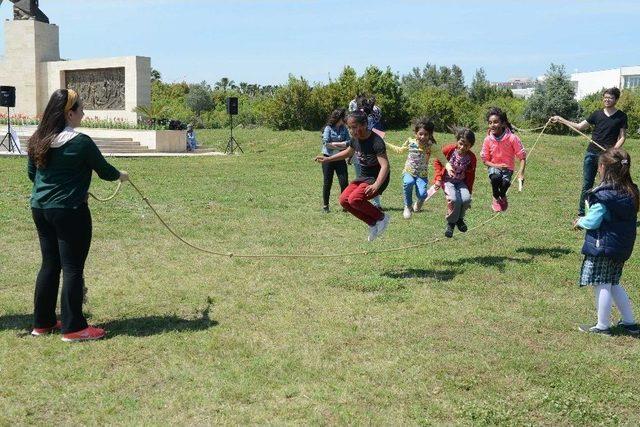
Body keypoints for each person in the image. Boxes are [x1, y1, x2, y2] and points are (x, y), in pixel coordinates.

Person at [27, 89, 129, 342]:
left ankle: (43, 323)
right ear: (69, 113)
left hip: (40, 209)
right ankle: (73, 328)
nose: (83, 113)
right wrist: (121, 175)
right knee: (72, 268)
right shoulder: (81, 142)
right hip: (70, 212)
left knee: (50, 264)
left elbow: (33, 175)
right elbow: (104, 171)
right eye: (81, 109)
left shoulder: (37, 138)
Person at [574, 148, 639, 336]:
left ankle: (602, 326)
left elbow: (593, 221)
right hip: (622, 247)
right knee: (613, 283)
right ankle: (630, 323)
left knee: (601, 283)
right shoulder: (631, 191)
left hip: (603, 246)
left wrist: (580, 222)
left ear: (602, 168)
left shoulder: (603, 196)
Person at [315, 110, 390, 242]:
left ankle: (382, 217)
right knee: (344, 200)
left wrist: (376, 184)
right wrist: (328, 159)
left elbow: (385, 166)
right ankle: (372, 224)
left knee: (355, 199)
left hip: (376, 178)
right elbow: (348, 152)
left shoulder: (376, 141)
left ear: (365, 124)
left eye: (354, 127)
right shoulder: (355, 139)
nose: (351, 130)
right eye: (349, 127)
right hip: (363, 176)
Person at [551, 87, 628, 216]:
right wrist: (561, 119)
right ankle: (582, 214)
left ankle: (603, 213)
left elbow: (622, 137)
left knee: (605, 185)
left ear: (616, 99)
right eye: (605, 97)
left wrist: (613, 150)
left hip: (606, 156)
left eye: (611, 97)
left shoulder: (621, 116)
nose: (607, 99)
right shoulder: (597, 114)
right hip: (591, 153)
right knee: (587, 184)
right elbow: (579, 126)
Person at [386, 118, 436, 219]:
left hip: (422, 175)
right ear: (416, 133)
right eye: (420, 134)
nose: (422, 137)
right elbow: (399, 150)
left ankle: (419, 202)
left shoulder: (431, 146)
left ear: (430, 135)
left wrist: (448, 166)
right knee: (408, 183)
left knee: (422, 194)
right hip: (409, 171)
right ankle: (408, 206)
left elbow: (441, 157)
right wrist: (385, 144)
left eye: (426, 134)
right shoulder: (411, 143)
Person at [433, 128, 477, 238]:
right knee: (454, 199)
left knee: (466, 199)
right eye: (461, 143)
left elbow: (471, 175)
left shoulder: (471, 158)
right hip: (447, 181)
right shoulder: (449, 150)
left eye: (466, 145)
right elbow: (438, 161)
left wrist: (469, 190)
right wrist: (438, 178)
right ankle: (451, 224)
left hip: (461, 182)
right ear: (457, 141)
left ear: (470, 146)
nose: (462, 147)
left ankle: (460, 220)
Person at [481, 107, 526, 212]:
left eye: (496, 122)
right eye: (490, 122)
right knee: (495, 178)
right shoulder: (487, 140)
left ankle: (502, 196)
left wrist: (521, 173)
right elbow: (485, 160)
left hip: (508, 169)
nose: (492, 125)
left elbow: (522, 157)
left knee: (505, 184)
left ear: (502, 123)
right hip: (494, 167)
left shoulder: (512, 138)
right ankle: (496, 197)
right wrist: (497, 166)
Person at [320, 109, 350, 212]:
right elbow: (326, 143)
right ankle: (325, 206)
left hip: (340, 158)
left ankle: (345, 205)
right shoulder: (328, 128)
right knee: (327, 182)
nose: (346, 118)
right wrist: (341, 144)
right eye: (344, 116)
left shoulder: (344, 128)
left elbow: (349, 142)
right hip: (328, 158)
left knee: (344, 182)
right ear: (339, 118)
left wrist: (335, 144)